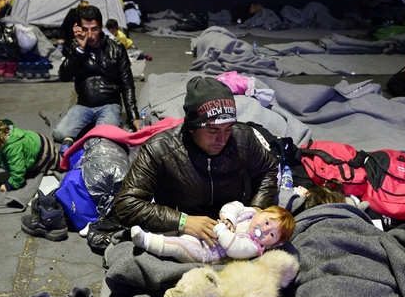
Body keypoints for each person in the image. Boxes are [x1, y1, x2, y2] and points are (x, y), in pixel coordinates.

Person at [113, 76, 280, 246]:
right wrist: (183, 221)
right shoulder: (159, 149)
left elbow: (268, 169)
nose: (222, 140)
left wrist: (256, 209)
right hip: (181, 233)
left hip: (233, 224)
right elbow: (125, 204)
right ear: (192, 127)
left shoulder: (243, 138)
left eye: (228, 129)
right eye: (213, 130)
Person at [54, 5, 141, 147]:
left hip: (109, 104)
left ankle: (92, 129)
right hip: (84, 104)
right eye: (85, 29)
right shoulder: (75, 47)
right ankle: (93, 127)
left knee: (105, 138)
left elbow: (127, 85)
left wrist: (133, 117)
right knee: (59, 133)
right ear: (79, 29)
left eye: (94, 29)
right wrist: (79, 50)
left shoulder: (117, 49)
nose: (89, 34)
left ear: (101, 28)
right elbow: (64, 76)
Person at [130, 202, 294, 263]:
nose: (265, 230)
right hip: (205, 233)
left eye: (271, 235)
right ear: (260, 212)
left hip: (206, 253)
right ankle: (154, 231)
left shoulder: (253, 246)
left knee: (180, 245)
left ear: (274, 244)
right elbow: (234, 205)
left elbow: (235, 247)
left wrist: (222, 230)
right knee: (178, 228)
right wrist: (230, 217)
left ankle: (146, 241)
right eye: (266, 222)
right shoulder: (249, 213)